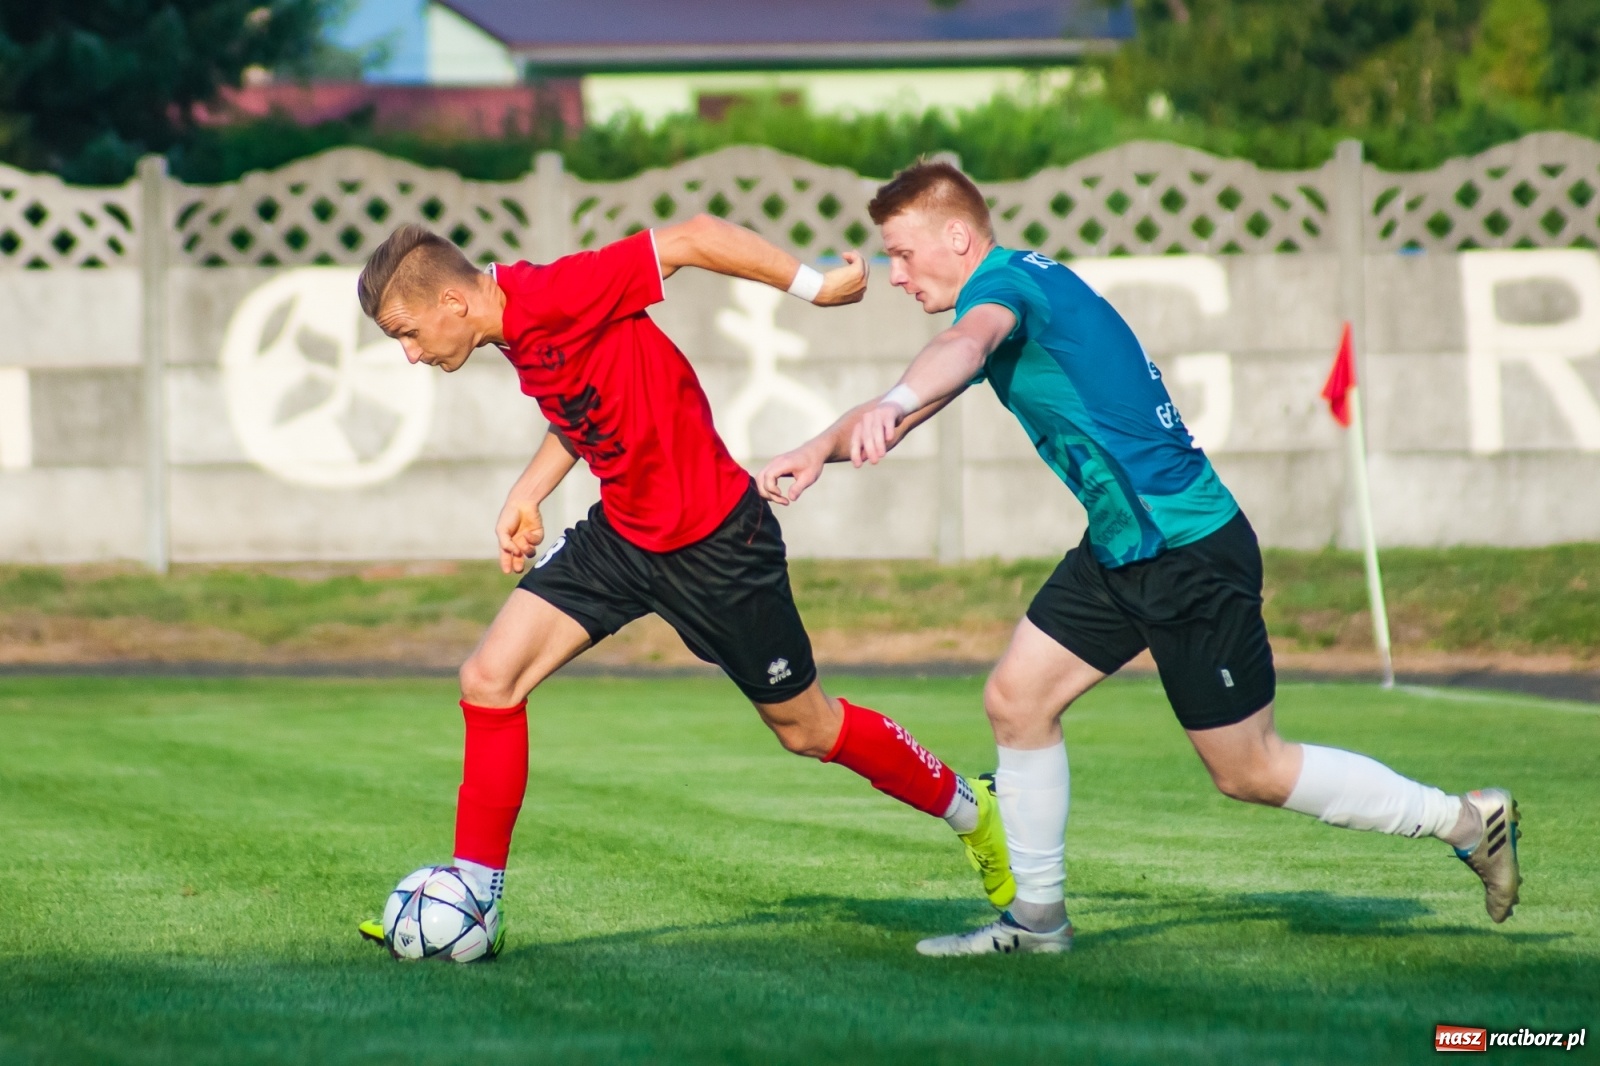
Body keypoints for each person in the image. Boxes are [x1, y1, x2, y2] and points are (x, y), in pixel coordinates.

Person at [758, 160, 1521, 956]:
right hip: (1122, 549)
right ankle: (1038, 923)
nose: (894, 275)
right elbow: (928, 386)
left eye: (903, 254)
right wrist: (818, 450)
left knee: (1250, 769)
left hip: (1189, 549)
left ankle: (1465, 820)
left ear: (958, 235)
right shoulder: (1015, 288)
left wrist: (893, 403)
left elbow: (961, 344)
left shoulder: (1007, 289)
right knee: (1017, 704)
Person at [350, 217, 1015, 958]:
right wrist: (528, 493)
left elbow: (692, 238)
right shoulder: (514, 332)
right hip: (624, 537)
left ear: (452, 301)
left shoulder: (557, 289)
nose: (409, 355)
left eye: (406, 334)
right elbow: (581, 412)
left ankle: (971, 804)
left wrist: (814, 285)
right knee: (488, 679)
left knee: (807, 729)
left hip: (719, 545)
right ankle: (476, 896)